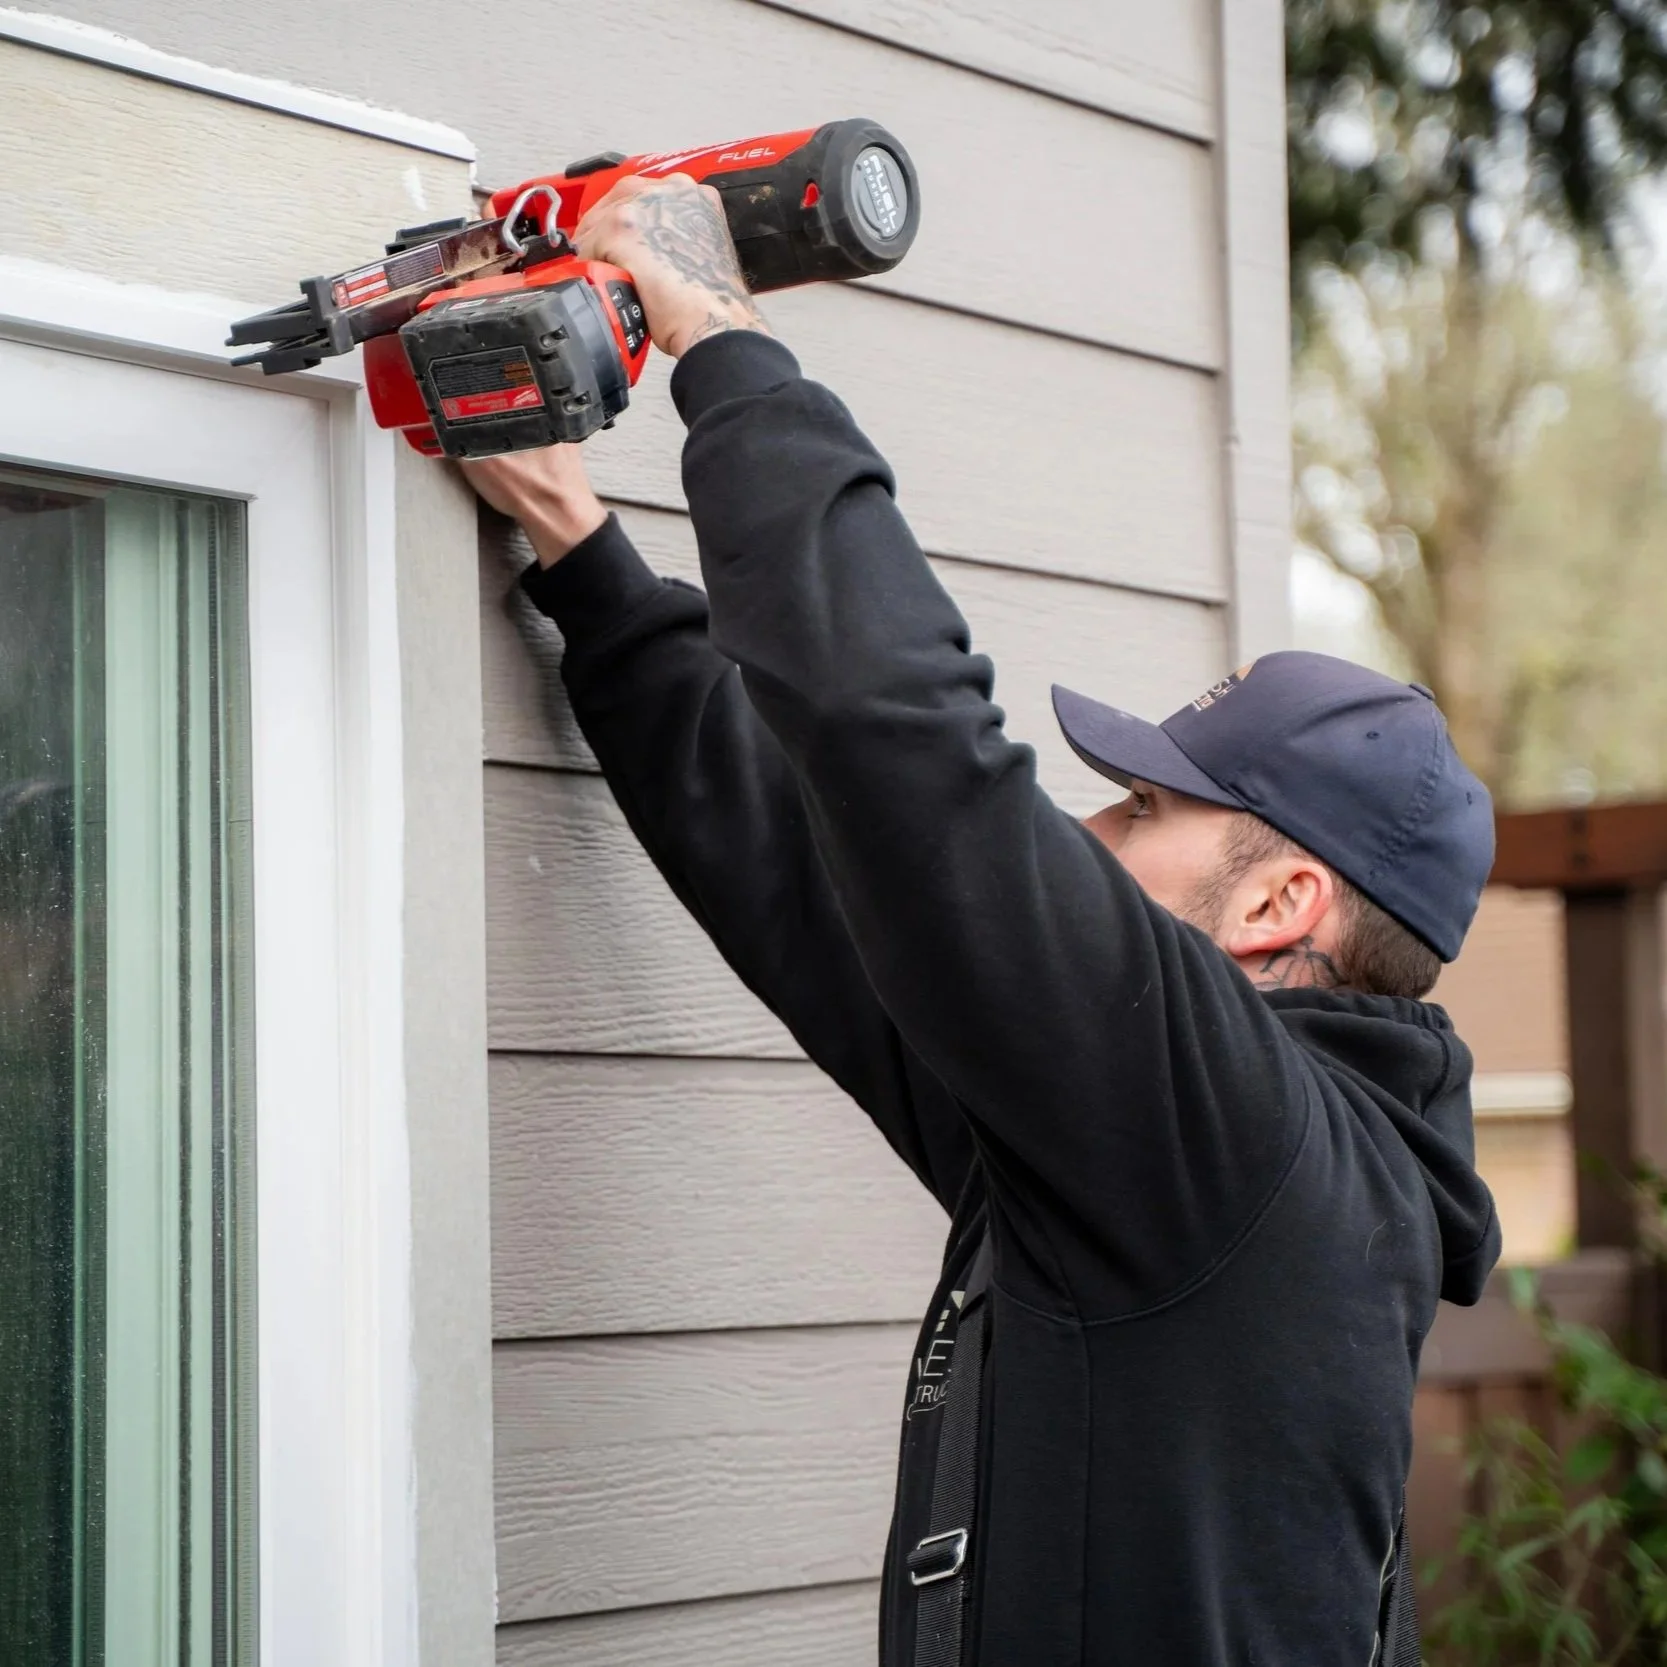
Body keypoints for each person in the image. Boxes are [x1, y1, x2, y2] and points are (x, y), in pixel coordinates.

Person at [462, 173, 1500, 1667]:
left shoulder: (1233, 1140)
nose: (1088, 833)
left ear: (1281, 903)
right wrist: (582, 551)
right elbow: (817, 883)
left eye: (1142, 810)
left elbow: (907, 744)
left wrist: (720, 337)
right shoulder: (1163, 1157)